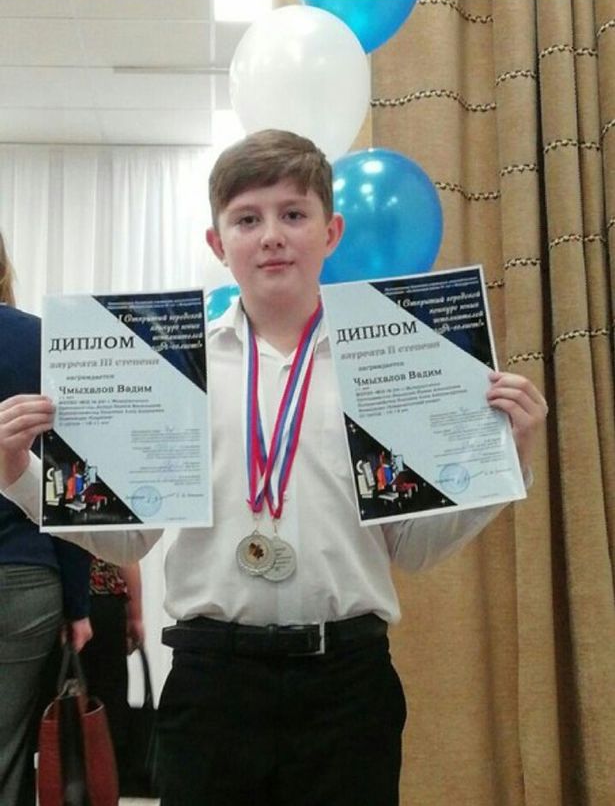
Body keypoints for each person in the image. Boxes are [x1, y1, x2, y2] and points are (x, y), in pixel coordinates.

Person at [0, 130, 548, 806]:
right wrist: (18, 471)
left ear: (331, 231)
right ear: (216, 242)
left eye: (293, 214)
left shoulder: (389, 365)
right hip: (212, 683)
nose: (272, 237)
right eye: (247, 219)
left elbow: (413, 547)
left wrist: (506, 460)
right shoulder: (174, 370)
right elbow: (131, 541)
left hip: (347, 684)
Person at [0, 233, 92, 806]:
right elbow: (67, 482)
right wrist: (78, 604)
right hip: (26, 576)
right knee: (9, 748)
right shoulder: (41, 340)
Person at [79, 559, 144, 792]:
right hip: (105, 604)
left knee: (63, 706)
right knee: (109, 704)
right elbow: (127, 556)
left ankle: (64, 786)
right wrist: (135, 616)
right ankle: (104, 787)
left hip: (57, 601)